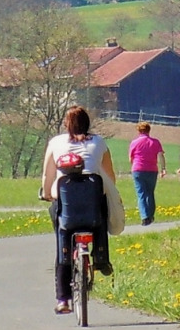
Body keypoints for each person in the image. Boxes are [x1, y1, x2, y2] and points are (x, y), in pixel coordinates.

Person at [40, 105, 125, 314]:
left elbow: (47, 177)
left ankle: (63, 300)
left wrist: (46, 193)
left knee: (63, 244)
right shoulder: (99, 142)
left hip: (65, 203)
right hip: (93, 202)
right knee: (100, 216)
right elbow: (110, 175)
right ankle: (102, 258)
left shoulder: (55, 143)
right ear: (88, 123)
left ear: (66, 124)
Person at [128, 121, 166, 225]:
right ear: (149, 130)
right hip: (152, 170)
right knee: (150, 193)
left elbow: (130, 158)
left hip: (138, 169)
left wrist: (134, 165)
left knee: (141, 194)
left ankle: (144, 217)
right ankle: (150, 215)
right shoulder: (155, 142)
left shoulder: (134, 142)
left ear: (139, 131)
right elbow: (161, 156)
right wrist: (163, 168)